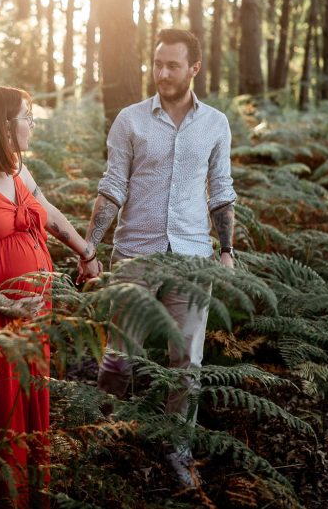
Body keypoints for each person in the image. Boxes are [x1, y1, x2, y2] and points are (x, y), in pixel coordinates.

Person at [0, 85, 102, 508]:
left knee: (20, 410)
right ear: (2, 124)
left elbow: (50, 216)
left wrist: (85, 251)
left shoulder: (18, 172)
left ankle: (19, 496)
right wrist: (4, 303)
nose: (32, 126)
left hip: (28, 318)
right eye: (27, 117)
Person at [82, 28, 237, 488]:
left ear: (194, 68)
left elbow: (222, 192)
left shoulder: (216, 124)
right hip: (135, 253)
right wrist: (91, 244)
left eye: (172, 64)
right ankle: (104, 435)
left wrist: (226, 250)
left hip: (193, 258)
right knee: (118, 358)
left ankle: (177, 447)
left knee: (186, 363)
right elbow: (112, 187)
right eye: (157, 63)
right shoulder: (130, 120)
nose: (162, 72)